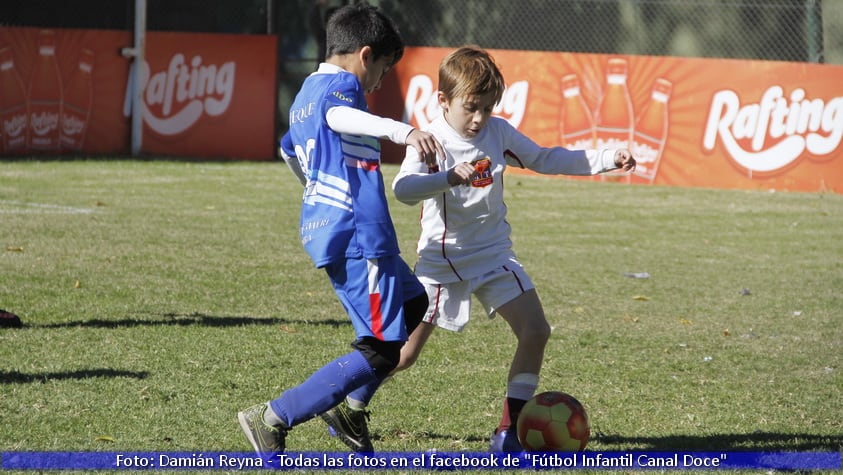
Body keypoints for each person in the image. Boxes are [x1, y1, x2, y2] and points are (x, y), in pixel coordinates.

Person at [333, 45, 636, 453]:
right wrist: (447, 178)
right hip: (441, 262)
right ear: (443, 100)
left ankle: (508, 432)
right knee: (402, 356)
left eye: (487, 109)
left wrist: (606, 157)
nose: (479, 119)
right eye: (471, 108)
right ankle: (349, 406)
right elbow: (403, 189)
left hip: (493, 255)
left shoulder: (499, 133)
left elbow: (545, 158)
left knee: (535, 331)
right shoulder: (428, 139)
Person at [237, 3, 444, 457]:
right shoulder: (341, 87)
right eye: (384, 70)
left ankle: (349, 410)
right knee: (381, 349)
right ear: (365, 55)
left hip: (334, 226)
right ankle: (273, 417)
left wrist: (315, 191)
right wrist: (401, 131)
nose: (380, 83)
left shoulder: (303, 95)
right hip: (358, 234)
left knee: (414, 304)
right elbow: (338, 118)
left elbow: (288, 150)